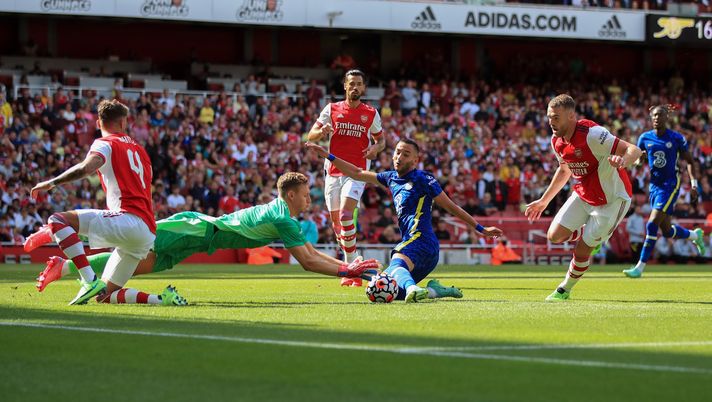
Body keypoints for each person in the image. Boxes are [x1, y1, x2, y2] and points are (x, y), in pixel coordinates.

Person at [34, 173, 381, 292]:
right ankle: (54, 231)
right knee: (130, 239)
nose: (310, 198)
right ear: (291, 195)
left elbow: (310, 253)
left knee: (138, 264)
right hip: (196, 229)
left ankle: (62, 267)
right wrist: (346, 268)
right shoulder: (284, 218)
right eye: (307, 194)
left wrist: (345, 266)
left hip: (198, 238)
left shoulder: (284, 216)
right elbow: (307, 261)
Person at [26, 99, 186, 306]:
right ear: (123, 122)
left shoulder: (105, 143)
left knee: (58, 219)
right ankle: (162, 300)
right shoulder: (140, 150)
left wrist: (51, 182)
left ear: (98, 123)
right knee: (105, 297)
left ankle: (89, 280)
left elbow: (87, 168)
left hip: (127, 219)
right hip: (146, 232)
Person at [306, 139, 503, 303]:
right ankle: (436, 290)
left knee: (396, 262)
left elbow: (451, 206)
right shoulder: (391, 178)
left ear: (416, 160)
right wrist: (328, 155)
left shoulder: (423, 179)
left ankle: (412, 289)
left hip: (422, 241)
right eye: (398, 152)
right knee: (390, 291)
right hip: (417, 250)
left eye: (406, 154)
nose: (399, 157)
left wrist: (480, 228)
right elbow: (356, 173)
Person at [525, 94, 642, 301]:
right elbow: (564, 171)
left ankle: (564, 289)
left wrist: (622, 161)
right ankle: (587, 233)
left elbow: (634, 149)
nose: (551, 123)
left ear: (571, 116)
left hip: (612, 200)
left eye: (556, 118)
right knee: (554, 235)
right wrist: (544, 200)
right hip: (583, 194)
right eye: (549, 117)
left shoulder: (593, 134)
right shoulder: (556, 140)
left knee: (581, 251)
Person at [306, 69, 385, 287]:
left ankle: (352, 268)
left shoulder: (370, 113)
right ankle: (355, 263)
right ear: (345, 86)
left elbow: (382, 141)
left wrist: (375, 150)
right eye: (351, 84)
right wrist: (322, 132)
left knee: (345, 214)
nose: (355, 87)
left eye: (359, 84)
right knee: (337, 226)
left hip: (357, 171)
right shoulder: (331, 109)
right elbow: (311, 135)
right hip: (332, 171)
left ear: (364, 87)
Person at [623, 105, 706, 278]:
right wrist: (640, 160)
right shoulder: (644, 138)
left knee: (651, 224)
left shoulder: (676, 138)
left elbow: (690, 161)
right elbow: (639, 161)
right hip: (654, 186)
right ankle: (694, 235)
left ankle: (639, 267)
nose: (656, 118)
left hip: (670, 185)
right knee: (666, 230)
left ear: (667, 117)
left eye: (660, 115)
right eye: (654, 115)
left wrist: (693, 185)